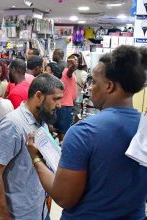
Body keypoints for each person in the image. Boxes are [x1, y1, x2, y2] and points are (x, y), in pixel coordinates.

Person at [26, 45, 147, 219]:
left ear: (110, 86)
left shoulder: (85, 132)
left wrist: (36, 159)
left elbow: (64, 197)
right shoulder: (143, 127)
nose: (89, 88)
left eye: (94, 82)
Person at [0, 74, 64, 220]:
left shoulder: (41, 122)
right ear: (39, 96)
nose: (60, 105)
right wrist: (4, 216)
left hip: (37, 208)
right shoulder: (13, 125)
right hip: (17, 213)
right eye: (56, 99)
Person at [54, 54, 78, 143]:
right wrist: (73, 66)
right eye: (72, 60)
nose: (75, 62)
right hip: (65, 106)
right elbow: (70, 70)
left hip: (66, 105)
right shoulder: (67, 72)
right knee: (63, 132)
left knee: (62, 131)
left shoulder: (69, 73)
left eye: (76, 60)